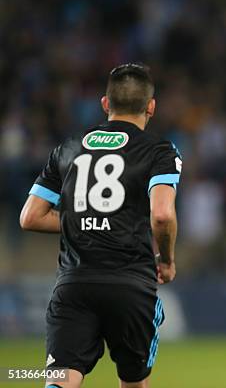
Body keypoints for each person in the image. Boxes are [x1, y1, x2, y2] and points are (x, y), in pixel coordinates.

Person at [19, 63, 181, 388]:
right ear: (151, 106)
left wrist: (85, 222)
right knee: (133, 381)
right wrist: (166, 259)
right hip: (131, 283)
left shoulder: (67, 148)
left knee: (61, 379)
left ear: (105, 104)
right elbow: (161, 215)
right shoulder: (159, 150)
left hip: (74, 283)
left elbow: (31, 217)